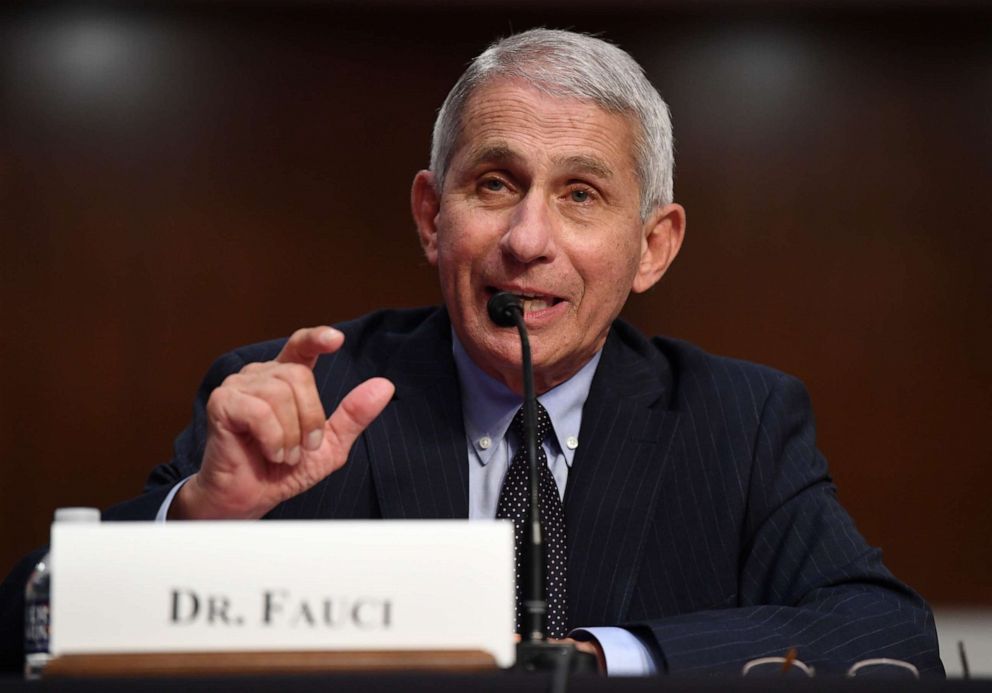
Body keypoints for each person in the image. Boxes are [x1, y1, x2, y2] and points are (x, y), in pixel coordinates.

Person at [0, 28, 942, 677]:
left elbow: (889, 634)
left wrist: (595, 659)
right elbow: (24, 624)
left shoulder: (739, 422)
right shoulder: (307, 394)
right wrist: (203, 519)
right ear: (430, 216)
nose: (528, 238)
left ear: (653, 246)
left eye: (581, 194)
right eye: (496, 183)